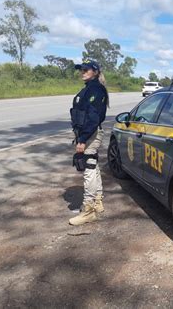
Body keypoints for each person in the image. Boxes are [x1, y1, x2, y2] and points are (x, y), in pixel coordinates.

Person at [69, 59, 109, 226]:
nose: (83, 71)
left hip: (90, 134)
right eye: (81, 69)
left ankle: (88, 210)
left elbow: (93, 118)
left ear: (95, 72)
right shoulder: (88, 88)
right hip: (86, 133)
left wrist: (83, 139)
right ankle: (98, 202)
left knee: (89, 169)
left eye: (86, 69)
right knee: (93, 166)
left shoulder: (96, 90)